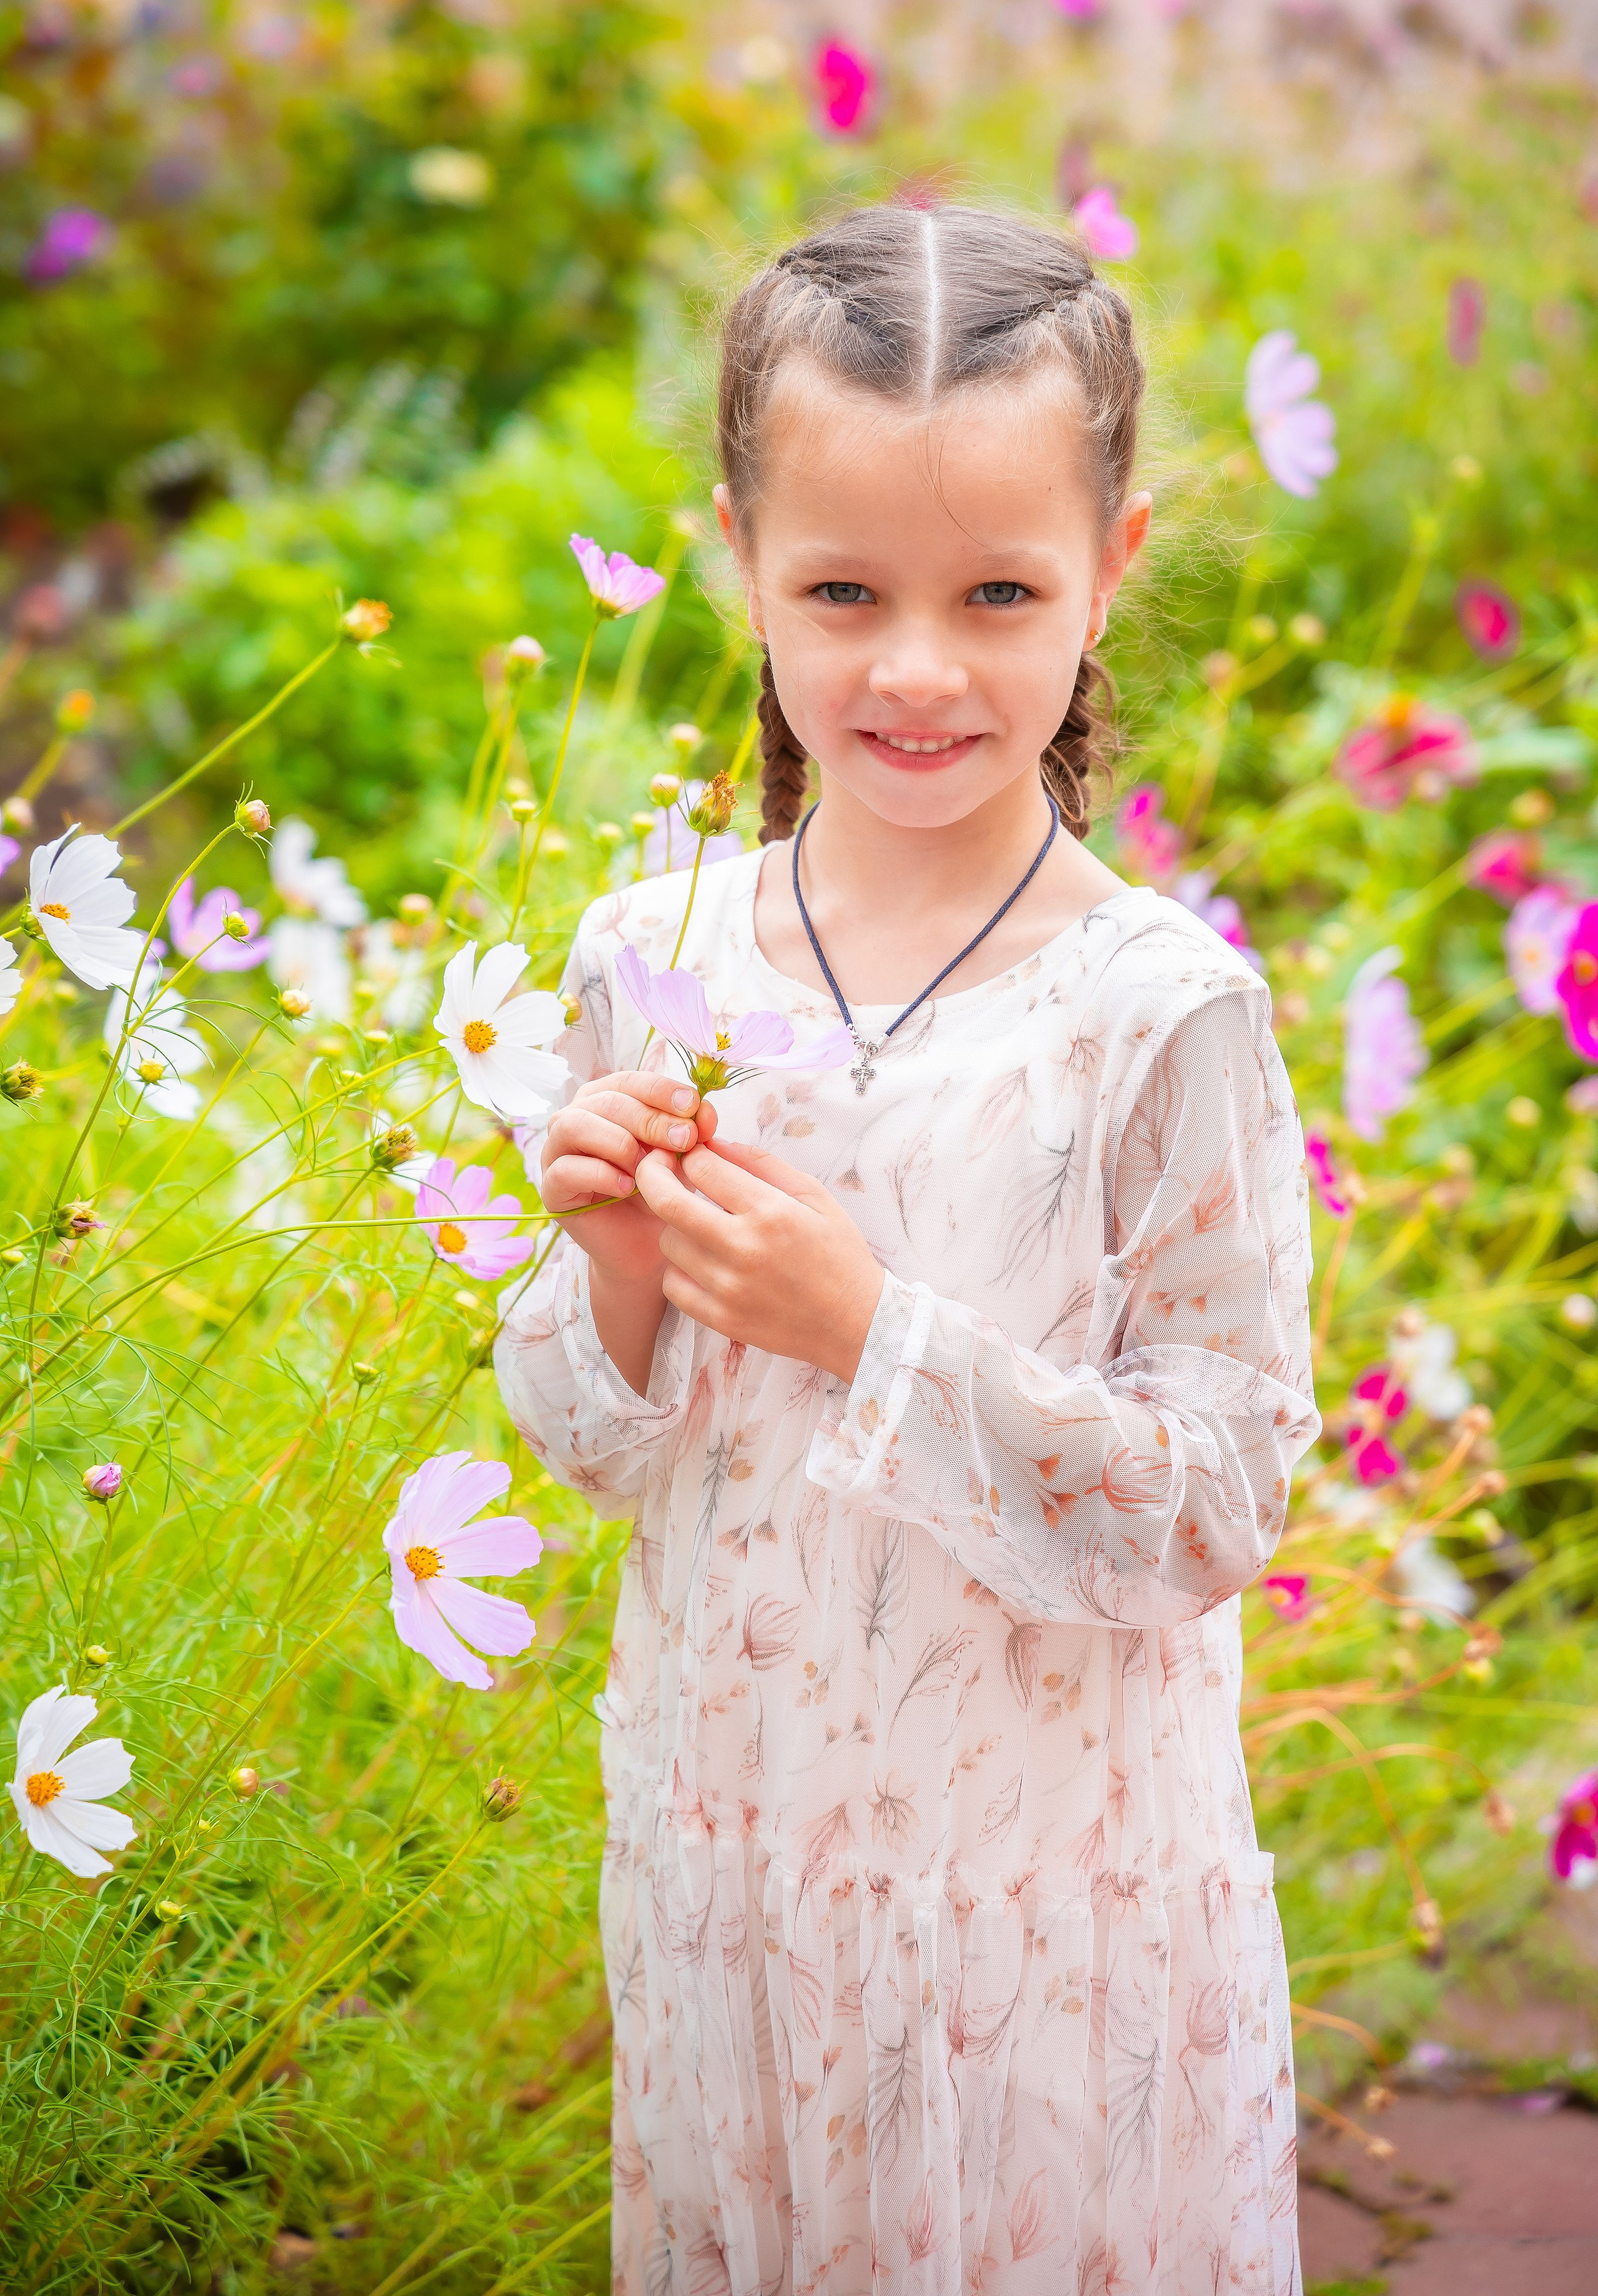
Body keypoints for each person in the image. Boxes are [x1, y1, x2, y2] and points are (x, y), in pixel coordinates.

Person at [497, 203, 1321, 2295]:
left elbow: (1220, 1497)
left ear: (1112, 565)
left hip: (1049, 1898)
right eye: (844, 590)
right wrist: (614, 1260)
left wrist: (873, 1332)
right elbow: (594, 1447)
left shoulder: (1157, 1012)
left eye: (1000, 592)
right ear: (739, 560)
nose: (920, 667)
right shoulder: (653, 955)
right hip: (737, 1864)